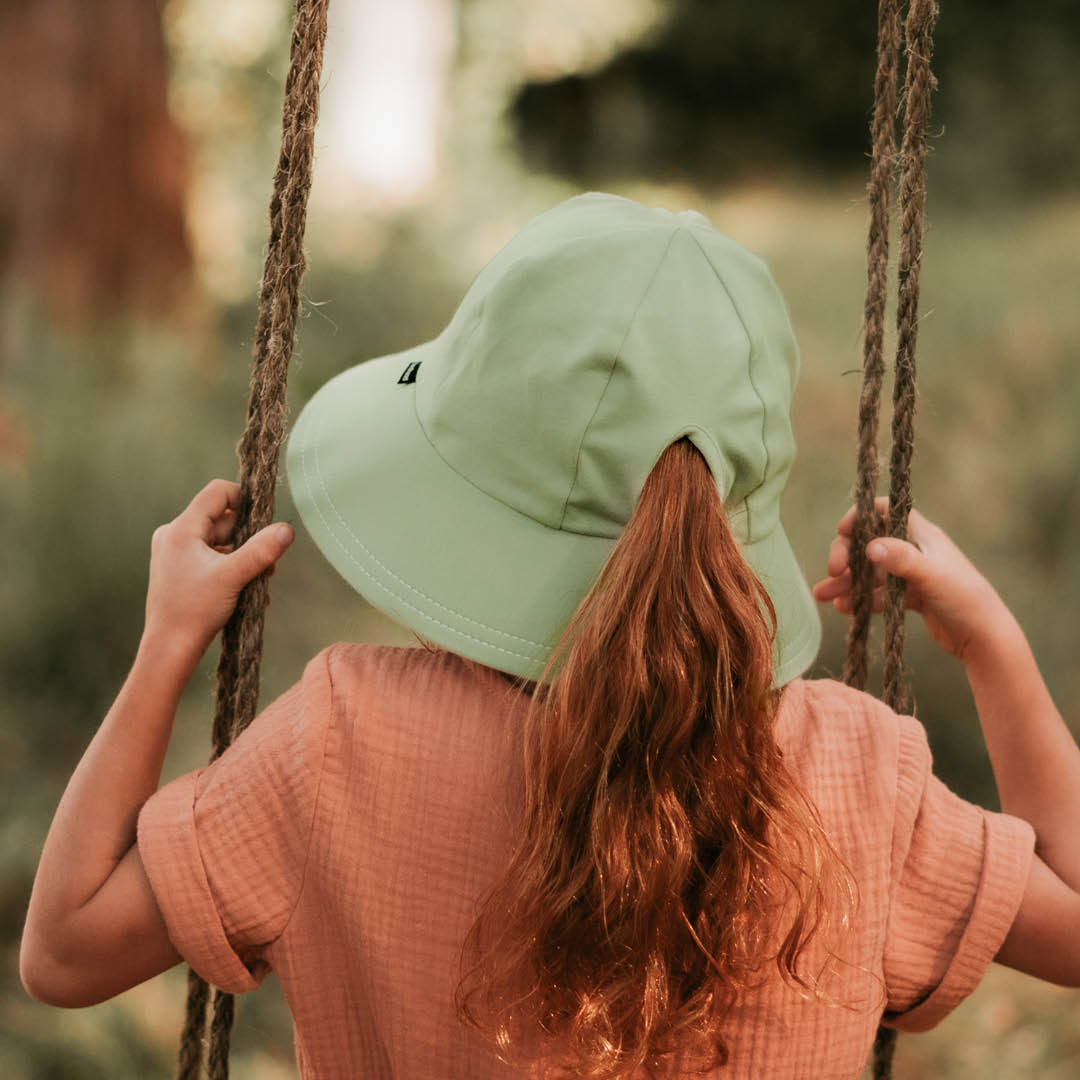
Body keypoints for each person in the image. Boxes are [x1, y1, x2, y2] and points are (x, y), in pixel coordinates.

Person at [18, 193, 1080, 1079]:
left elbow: (64, 953)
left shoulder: (338, 741)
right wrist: (992, 642)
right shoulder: (856, 774)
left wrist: (168, 644)